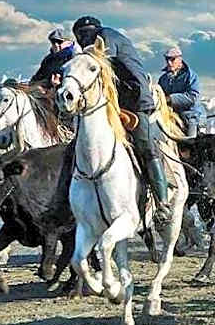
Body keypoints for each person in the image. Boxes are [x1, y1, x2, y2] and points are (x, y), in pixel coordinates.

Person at [72, 16, 170, 222]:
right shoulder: (98, 43)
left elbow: (100, 59)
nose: (85, 39)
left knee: (146, 147)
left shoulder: (107, 39)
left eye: (86, 34)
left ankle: (163, 203)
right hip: (113, 102)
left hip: (136, 99)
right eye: (82, 36)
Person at [158, 47, 201, 138]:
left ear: (180, 59)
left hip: (189, 115)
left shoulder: (191, 76)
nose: (169, 62)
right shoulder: (163, 79)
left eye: (172, 59)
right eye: (167, 59)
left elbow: (192, 97)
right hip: (169, 114)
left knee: (190, 142)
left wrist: (170, 98)